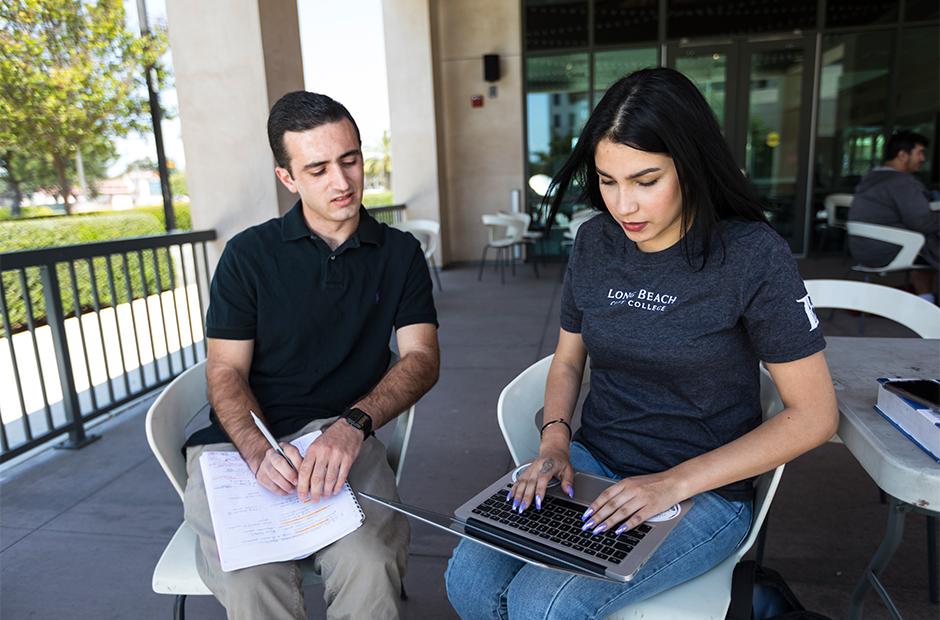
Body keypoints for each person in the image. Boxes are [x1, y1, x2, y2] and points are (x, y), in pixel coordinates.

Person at [445, 67, 838, 619]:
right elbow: (567, 361)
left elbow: (815, 415)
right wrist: (555, 443)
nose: (622, 205)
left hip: (705, 489)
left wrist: (672, 484)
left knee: (545, 604)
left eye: (645, 181)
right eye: (608, 181)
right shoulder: (595, 241)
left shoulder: (752, 255)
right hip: (593, 460)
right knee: (467, 579)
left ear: (691, 166)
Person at [182, 91, 440, 620]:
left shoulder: (399, 253)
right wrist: (255, 449)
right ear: (288, 178)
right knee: (252, 579)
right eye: (318, 169)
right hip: (241, 443)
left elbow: (422, 358)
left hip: (342, 432)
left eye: (349, 160)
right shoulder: (248, 255)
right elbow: (225, 369)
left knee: (368, 563)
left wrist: (351, 427)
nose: (342, 182)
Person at [848, 130, 938, 302]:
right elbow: (922, 222)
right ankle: (927, 304)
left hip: (862, 248)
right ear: (903, 155)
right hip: (890, 249)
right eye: (920, 152)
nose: (923, 159)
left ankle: (926, 298)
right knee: (929, 243)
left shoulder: (871, 177)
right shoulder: (902, 182)